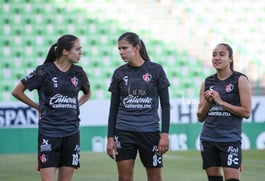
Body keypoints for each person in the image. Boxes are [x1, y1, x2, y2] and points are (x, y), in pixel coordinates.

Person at [12, 34, 91, 181]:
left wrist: (75, 105)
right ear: (65, 51)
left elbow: (87, 93)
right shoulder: (43, 71)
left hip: (71, 133)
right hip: (49, 133)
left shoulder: (78, 73)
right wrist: (38, 107)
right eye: (77, 49)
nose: (81, 52)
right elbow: (17, 91)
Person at [106, 32, 171, 181]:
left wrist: (165, 134)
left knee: (155, 178)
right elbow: (113, 108)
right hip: (124, 132)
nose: (121, 52)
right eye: (119, 49)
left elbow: (166, 105)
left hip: (150, 132)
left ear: (136, 48)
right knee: (124, 178)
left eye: (124, 48)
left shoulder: (156, 70)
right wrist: (110, 137)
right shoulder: (119, 73)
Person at [197, 43, 252, 181]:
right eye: (214, 55)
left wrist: (220, 102)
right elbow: (200, 116)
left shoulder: (240, 79)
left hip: (230, 140)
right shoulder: (208, 82)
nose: (217, 58)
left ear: (231, 58)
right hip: (208, 139)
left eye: (222, 54)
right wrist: (209, 102)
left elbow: (246, 112)